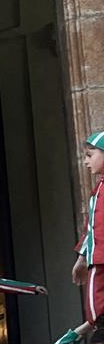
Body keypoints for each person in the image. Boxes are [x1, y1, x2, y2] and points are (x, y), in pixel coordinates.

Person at [74, 132, 104, 318]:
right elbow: (90, 227)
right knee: (95, 311)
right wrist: (82, 258)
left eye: (90, 155)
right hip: (98, 258)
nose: (85, 161)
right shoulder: (97, 191)